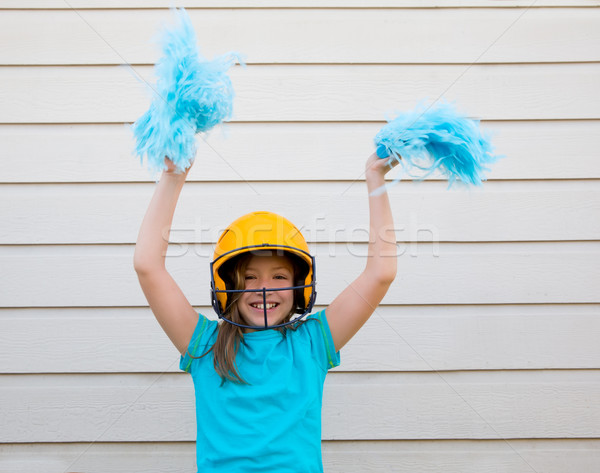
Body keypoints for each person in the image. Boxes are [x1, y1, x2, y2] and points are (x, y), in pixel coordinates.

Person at [133, 152, 397, 472]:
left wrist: (375, 178)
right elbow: (147, 266)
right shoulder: (205, 345)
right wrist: (173, 177)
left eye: (279, 277)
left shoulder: (312, 342)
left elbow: (380, 274)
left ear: (300, 286)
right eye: (249, 278)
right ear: (226, 285)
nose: (264, 288)